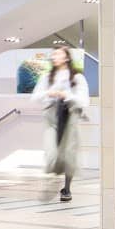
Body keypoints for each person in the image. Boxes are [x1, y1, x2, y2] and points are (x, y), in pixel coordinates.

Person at [31, 45, 89, 201]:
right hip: (52, 115)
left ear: (67, 57)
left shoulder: (77, 77)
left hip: (70, 115)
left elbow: (84, 100)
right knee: (51, 152)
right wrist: (49, 93)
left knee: (69, 153)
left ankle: (67, 189)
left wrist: (66, 95)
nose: (54, 57)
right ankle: (53, 178)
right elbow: (35, 97)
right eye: (53, 54)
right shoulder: (47, 77)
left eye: (58, 54)